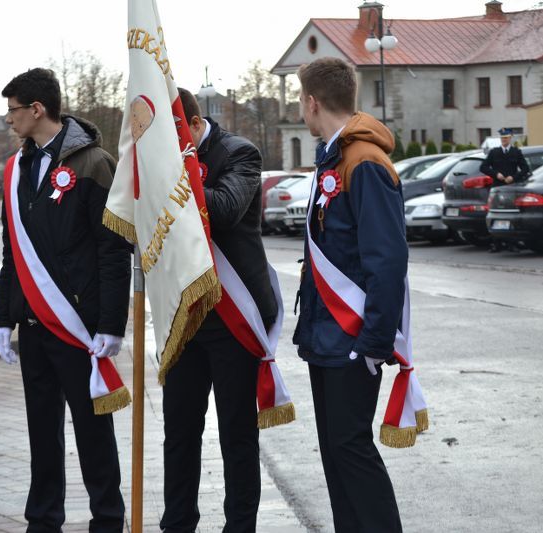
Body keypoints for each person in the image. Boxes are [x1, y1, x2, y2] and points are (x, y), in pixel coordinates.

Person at [0, 68, 131, 532]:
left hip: (79, 325)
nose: (7, 120)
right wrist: (2, 318)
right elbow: (14, 251)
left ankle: (107, 519)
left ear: (36, 110)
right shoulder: (18, 169)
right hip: (34, 324)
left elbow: (113, 250)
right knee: (42, 433)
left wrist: (112, 324)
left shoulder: (94, 163)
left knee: (93, 432)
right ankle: (44, 519)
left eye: (12, 110)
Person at [293, 57, 406, 532]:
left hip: (353, 337)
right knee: (337, 451)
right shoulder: (335, 156)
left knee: (352, 449)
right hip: (326, 335)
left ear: (313, 102)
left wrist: (375, 343)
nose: (300, 108)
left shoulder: (365, 161)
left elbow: (387, 259)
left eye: (300, 99)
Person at [159, 88, 277, 533]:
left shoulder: (239, 153)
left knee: (236, 432)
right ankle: (178, 523)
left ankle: (239, 526)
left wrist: (176, 175)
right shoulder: (160, 160)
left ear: (189, 124)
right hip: (186, 315)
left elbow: (225, 211)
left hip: (233, 314)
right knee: (180, 432)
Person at [480, 128, 530, 252]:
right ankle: (496, 243)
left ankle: (511, 244)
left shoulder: (516, 152)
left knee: (510, 214)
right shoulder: (494, 152)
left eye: (506, 138)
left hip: (511, 188)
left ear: (511, 138)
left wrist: (513, 177)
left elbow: (525, 169)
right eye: (502, 138)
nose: (504, 140)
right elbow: (483, 167)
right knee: (496, 214)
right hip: (497, 187)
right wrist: (496, 174)